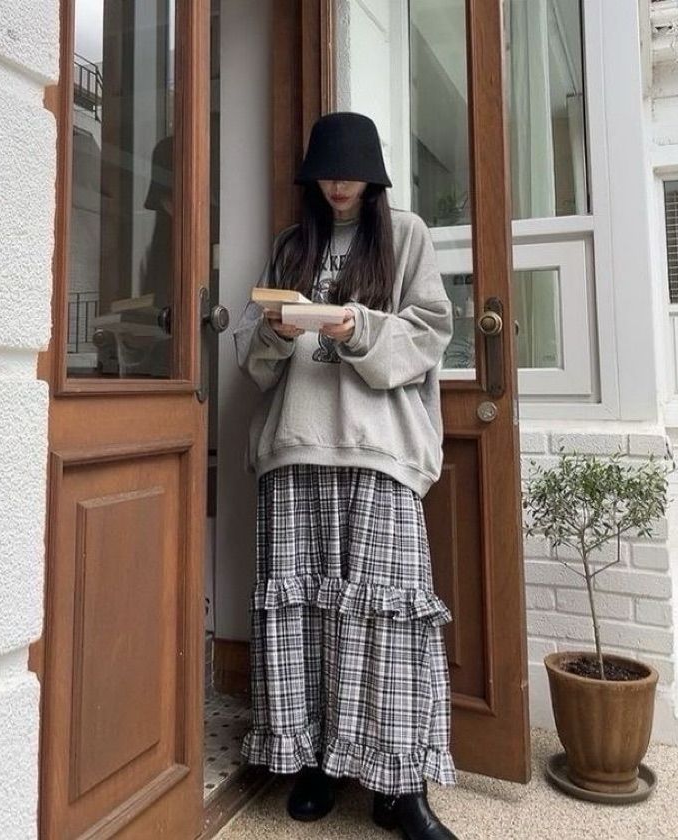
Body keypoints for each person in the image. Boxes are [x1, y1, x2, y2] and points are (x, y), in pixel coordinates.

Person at [234, 112, 458, 840]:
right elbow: (255, 368)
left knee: (388, 621)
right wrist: (276, 329)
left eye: (350, 173)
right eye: (326, 174)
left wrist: (353, 327)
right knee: (304, 621)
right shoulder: (289, 247)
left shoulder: (408, 236)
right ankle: (314, 764)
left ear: (374, 175)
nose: (338, 187)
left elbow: (428, 334)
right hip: (297, 447)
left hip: (378, 451)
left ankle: (401, 790)